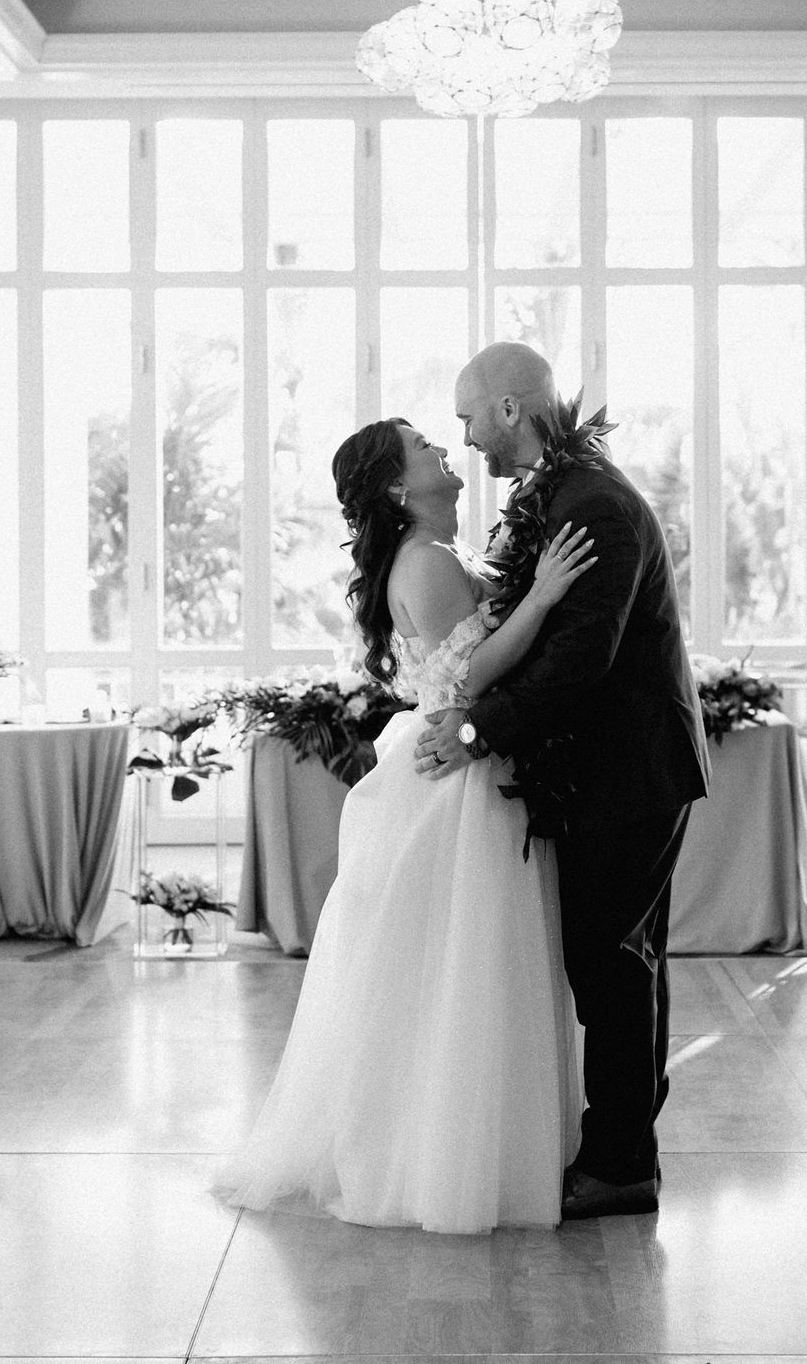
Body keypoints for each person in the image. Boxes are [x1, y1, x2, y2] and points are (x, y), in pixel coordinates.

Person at [215, 417, 596, 1233]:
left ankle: (474, 1147)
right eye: (423, 446)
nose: (442, 450)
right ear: (397, 486)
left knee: (465, 968)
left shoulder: (442, 556)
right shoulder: (423, 562)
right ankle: (445, 1162)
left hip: (465, 758)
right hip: (453, 776)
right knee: (463, 965)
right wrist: (545, 596)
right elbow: (464, 675)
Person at [416, 342, 710, 1221]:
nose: (464, 438)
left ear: (512, 408)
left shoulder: (594, 507)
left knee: (611, 965)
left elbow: (582, 659)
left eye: (469, 417)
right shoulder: (565, 493)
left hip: (630, 772)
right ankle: (622, 1150)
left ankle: (622, 1163)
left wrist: (474, 729)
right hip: (608, 769)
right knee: (619, 963)